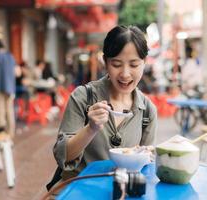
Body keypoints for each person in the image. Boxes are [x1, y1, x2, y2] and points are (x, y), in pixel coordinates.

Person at [50, 25, 157, 188]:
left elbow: (145, 165)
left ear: (144, 63)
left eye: (134, 65)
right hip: (80, 189)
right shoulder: (83, 97)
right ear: (105, 62)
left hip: (122, 191)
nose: (125, 74)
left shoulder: (148, 110)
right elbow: (64, 157)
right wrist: (91, 128)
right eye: (116, 64)